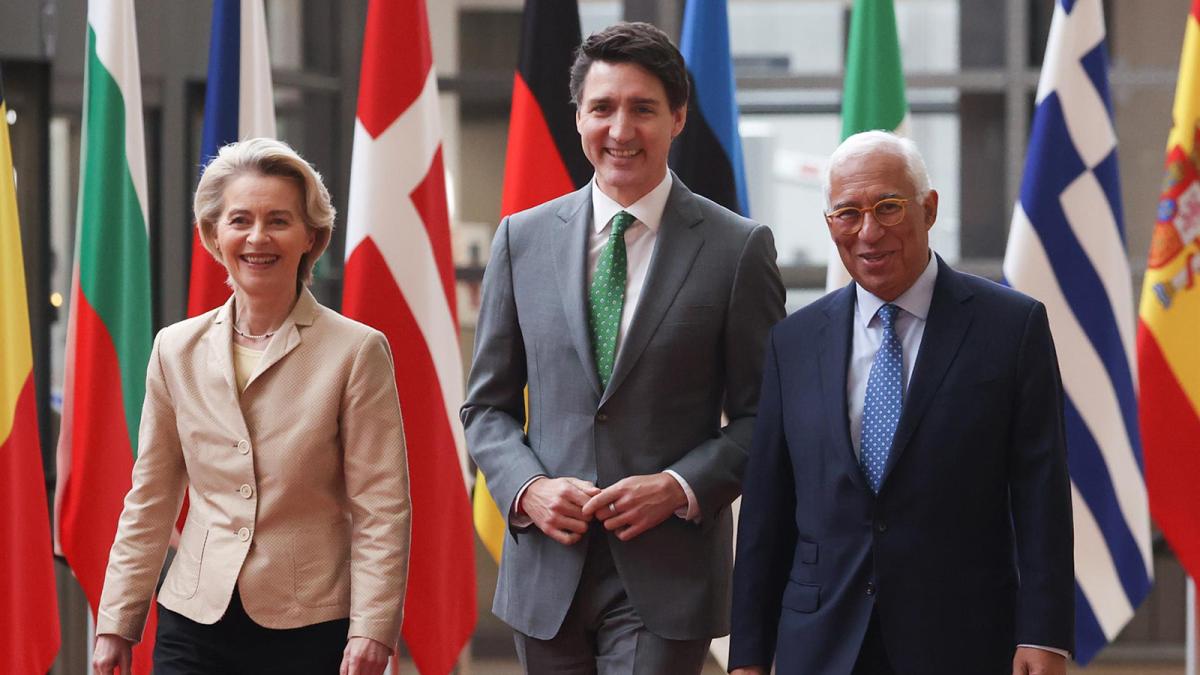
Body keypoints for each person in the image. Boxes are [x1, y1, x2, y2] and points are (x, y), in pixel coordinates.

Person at [462, 21, 785, 675]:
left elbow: (766, 420)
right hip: (545, 572)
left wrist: (677, 485)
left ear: (679, 117)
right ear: (578, 117)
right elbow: (486, 408)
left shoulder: (736, 248)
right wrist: (527, 488)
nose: (621, 129)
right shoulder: (520, 240)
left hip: (667, 576)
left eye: (643, 109)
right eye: (603, 108)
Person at [728, 130, 1074, 675]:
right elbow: (767, 512)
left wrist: (1046, 635)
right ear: (829, 225)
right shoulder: (792, 343)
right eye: (848, 213)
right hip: (820, 640)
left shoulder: (1012, 328)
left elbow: (1042, 492)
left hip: (962, 636)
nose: (869, 232)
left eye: (888, 207)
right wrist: (748, 654)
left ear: (929, 209)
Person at [91, 138, 410, 675]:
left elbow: (382, 506)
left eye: (279, 220)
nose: (258, 238)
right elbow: (151, 496)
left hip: (310, 624)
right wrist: (115, 622)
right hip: (194, 619)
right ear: (213, 235)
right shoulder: (175, 348)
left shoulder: (357, 351)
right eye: (240, 220)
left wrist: (373, 628)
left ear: (312, 235)